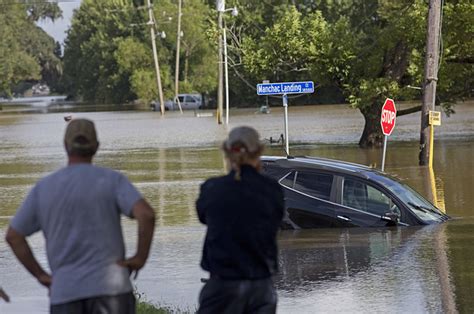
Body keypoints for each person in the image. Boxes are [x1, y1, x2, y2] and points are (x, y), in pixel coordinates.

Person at [5, 118, 155, 314]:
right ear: (96, 147)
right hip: (113, 291)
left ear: (65, 146)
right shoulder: (112, 180)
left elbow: (13, 236)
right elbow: (146, 215)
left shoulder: (43, 188)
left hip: (65, 292)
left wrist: (41, 275)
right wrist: (139, 259)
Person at [196, 126, 285, 314]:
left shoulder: (212, 188)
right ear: (259, 151)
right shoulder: (272, 190)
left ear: (227, 152)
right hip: (261, 286)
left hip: (222, 285)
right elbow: (276, 221)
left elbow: (203, 216)